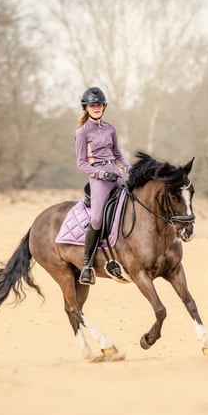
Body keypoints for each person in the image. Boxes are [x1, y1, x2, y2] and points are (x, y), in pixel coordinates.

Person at [74, 86, 131, 285]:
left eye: (99, 105)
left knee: (133, 203)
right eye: (92, 105)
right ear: (86, 108)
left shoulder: (110, 128)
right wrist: (100, 173)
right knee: (97, 219)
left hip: (115, 174)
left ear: (103, 107)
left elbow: (117, 155)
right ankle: (86, 267)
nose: (96, 108)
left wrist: (128, 168)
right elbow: (81, 163)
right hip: (98, 178)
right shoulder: (82, 132)